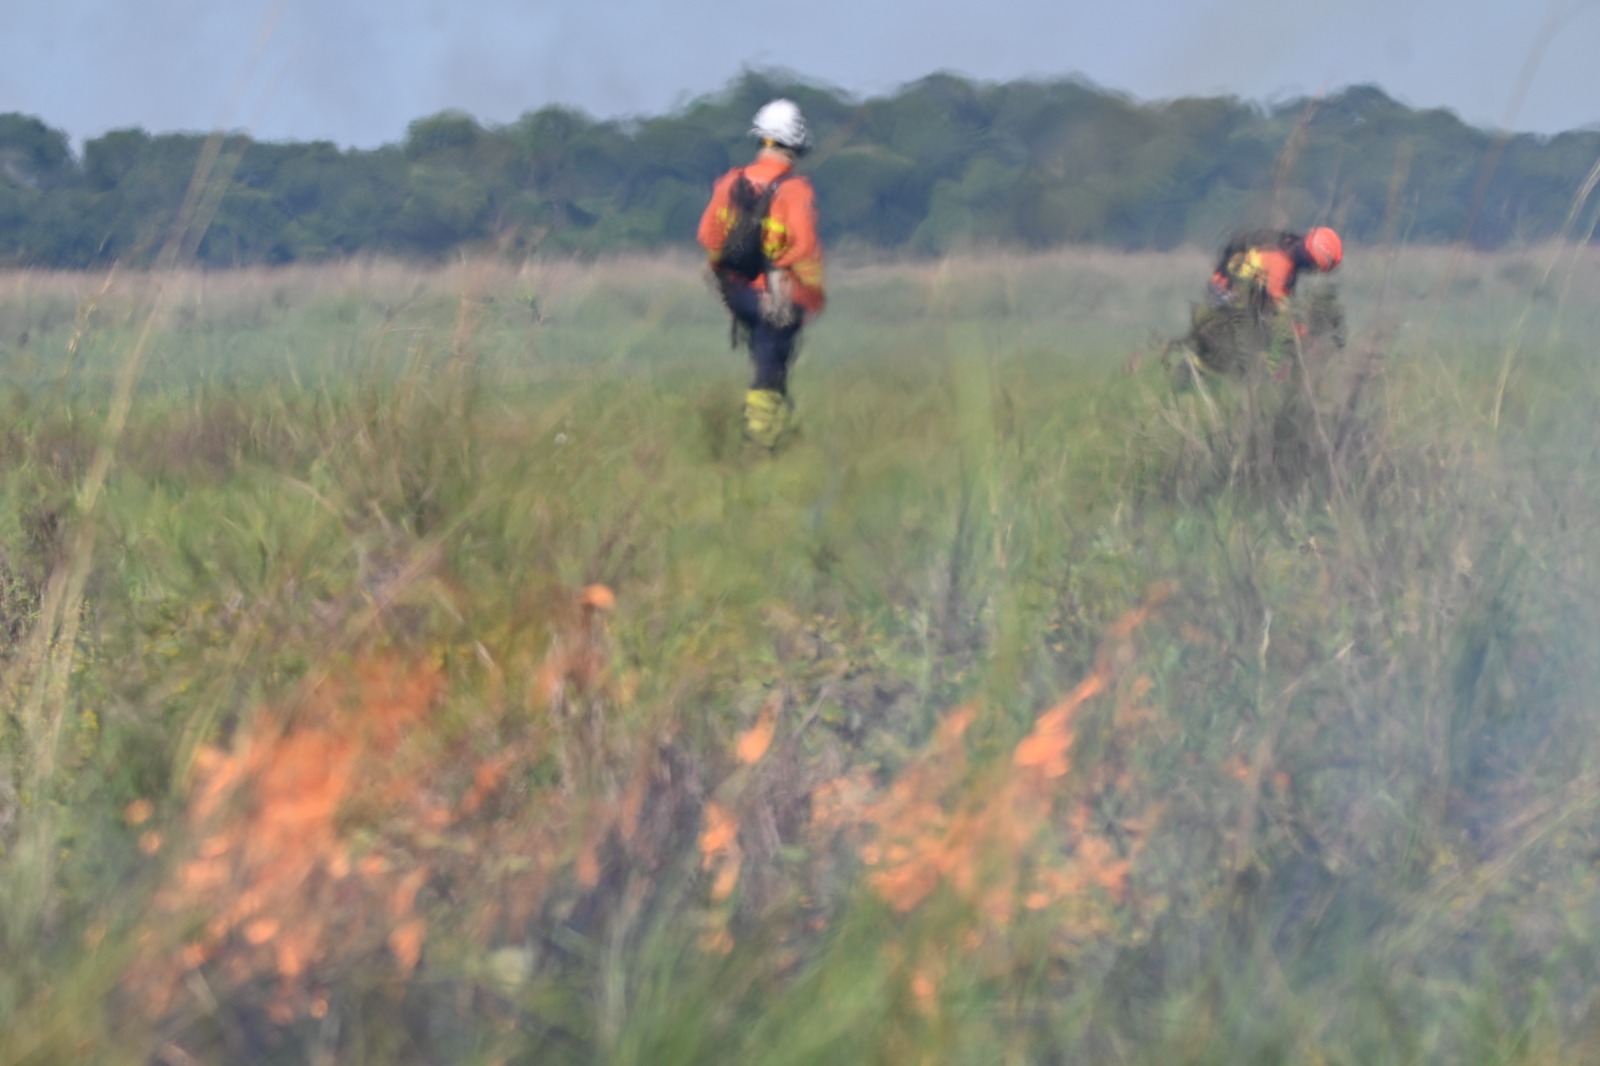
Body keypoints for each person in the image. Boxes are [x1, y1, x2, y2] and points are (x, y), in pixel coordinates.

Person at [697, 99, 826, 451]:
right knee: (771, 367)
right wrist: (811, 299)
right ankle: (761, 441)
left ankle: (772, 435)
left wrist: (726, 286)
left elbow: (709, 237)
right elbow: (803, 248)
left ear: (762, 140)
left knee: (765, 358)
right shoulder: (795, 190)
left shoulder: (729, 183)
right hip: (778, 296)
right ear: (796, 144)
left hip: (737, 292)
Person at [1189, 226, 1343, 376]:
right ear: (1311, 259)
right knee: (1254, 341)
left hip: (1234, 286)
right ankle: (1195, 368)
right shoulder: (1282, 262)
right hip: (1228, 292)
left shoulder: (1287, 244)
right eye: (1314, 266)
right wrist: (1300, 333)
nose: (1312, 271)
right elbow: (1280, 308)